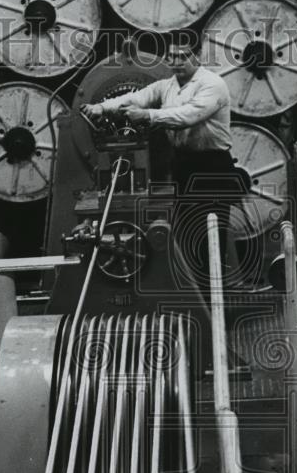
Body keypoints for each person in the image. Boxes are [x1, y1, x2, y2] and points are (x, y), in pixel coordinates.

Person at [80, 42, 246, 296]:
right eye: (172, 57)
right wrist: (102, 107)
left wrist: (147, 116)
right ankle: (197, 296)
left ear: (197, 56)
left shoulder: (212, 85)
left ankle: (214, 300)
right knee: (188, 233)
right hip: (183, 164)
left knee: (210, 233)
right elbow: (136, 97)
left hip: (211, 166)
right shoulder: (167, 86)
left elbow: (187, 116)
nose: (177, 62)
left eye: (183, 56)